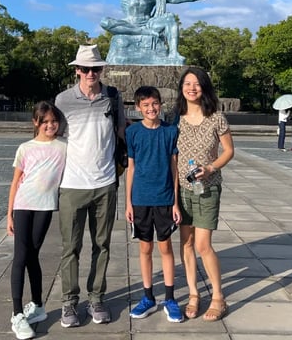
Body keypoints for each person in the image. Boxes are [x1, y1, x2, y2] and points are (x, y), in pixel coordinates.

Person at [54, 44, 125, 328]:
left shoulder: (112, 96)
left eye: (95, 68)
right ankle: (69, 303)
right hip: (72, 184)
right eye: (85, 69)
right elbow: (53, 135)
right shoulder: (63, 100)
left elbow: (122, 130)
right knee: (70, 247)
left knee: (102, 245)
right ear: (76, 71)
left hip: (105, 182)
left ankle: (97, 297)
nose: (90, 73)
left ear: (102, 70)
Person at [174, 67, 234, 322]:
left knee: (202, 244)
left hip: (207, 188)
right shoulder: (175, 117)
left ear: (204, 87)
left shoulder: (216, 117)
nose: (192, 88)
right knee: (186, 243)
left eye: (197, 84)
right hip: (182, 190)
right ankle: (193, 294)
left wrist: (210, 168)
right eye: (187, 83)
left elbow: (229, 151)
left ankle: (218, 297)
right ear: (182, 88)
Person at [7, 101, 67, 340]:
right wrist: (8, 213)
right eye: (45, 122)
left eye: (54, 121)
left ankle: (38, 306)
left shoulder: (64, 147)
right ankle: (17, 313)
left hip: (45, 207)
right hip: (23, 205)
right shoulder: (25, 148)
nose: (50, 125)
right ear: (36, 123)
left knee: (33, 255)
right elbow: (15, 181)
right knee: (20, 257)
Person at [125, 86, 183, 323]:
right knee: (145, 248)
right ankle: (148, 296)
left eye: (155, 104)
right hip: (140, 199)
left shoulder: (170, 131)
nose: (151, 109)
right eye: (146, 105)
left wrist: (175, 202)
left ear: (161, 104)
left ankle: (169, 298)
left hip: (164, 198)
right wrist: (128, 202)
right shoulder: (133, 133)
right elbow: (131, 168)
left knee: (165, 247)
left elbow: (175, 168)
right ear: (138, 107)